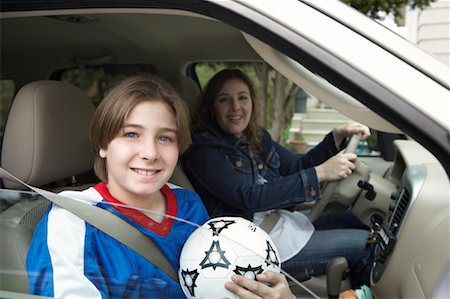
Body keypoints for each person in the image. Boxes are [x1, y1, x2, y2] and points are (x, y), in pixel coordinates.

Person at [26, 75, 295, 298]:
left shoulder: (188, 204)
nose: (150, 152)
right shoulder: (71, 224)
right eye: (131, 134)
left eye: (165, 138)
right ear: (103, 144)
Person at [182, 69, 374, 288]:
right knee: (365, 245)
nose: (236, 107)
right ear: (211, 109)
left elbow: (295, 167)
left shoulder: (255, 135)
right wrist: (320, 173)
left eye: (242, 98)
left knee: (360, 218)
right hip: (254, 246)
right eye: (224, 100)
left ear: (252, 102)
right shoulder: (202, 150)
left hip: (281, 223)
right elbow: (249, 197)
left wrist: (336, 137)